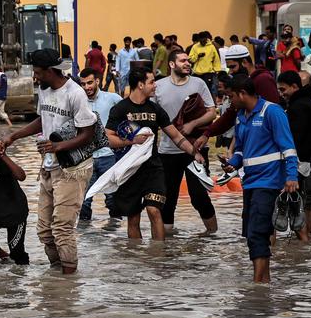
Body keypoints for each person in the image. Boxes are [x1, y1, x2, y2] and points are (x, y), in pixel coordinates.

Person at [0, 48, 97, 274]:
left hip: (73, 168)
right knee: (44, 230)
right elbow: (43, 120)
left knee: (62, 229)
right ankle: (56, 276)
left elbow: (87, 133)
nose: (35, 76)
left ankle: (68, 282)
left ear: (52, 71)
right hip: (49, 165)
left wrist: (58, 146)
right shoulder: (44, 90)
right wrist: (13, 136)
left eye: (39, 72)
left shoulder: (75, 93)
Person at [106, 69, 205, 241]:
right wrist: (131, 141)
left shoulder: (155, 109)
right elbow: (107, 138)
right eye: (151, 82)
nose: (155, 85)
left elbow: (175, 135)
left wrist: (194, 152)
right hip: (129, 170)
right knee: (133, 217)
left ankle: (158, 258)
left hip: (153, 169)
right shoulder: (120, 109)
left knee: (154, 210)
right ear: (140, 85)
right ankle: (137, 260)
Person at [220, 74, 300, 283]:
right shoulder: (240, 117)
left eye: (231, 97)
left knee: (258, 233)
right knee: (252, 234)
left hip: (270, 183)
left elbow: (289, 148)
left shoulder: (272, 112)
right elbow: (241, 150)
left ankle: (257, 287)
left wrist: (291, 176)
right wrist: (232, 163)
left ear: (242, 94)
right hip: (251, 182)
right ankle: (264, 282)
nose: (229, 102)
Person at [153, 49, 218, 235]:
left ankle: (212, 235)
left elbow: (212, 112)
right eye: (183, 61)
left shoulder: (199, 83)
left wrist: (192, 124)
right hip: (167, 151)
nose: (188, 63)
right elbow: (151, 115)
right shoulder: (158, 86)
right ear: (172, 64)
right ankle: (166, 243)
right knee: (168, 198)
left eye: (188, 60)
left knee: (199, 196)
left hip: (197, 148)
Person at [277, 70, 311, 241]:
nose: (281, 93)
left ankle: (305, 241)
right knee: (306, 202)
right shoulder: (306, 102)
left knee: (305, 202)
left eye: (283, 89)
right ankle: (306, 243)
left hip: (307, 162)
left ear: (295, 87)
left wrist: (294, 164)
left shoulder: (300, 106)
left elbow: (298, 138)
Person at [196, 54, 281, 149]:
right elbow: (231, 114)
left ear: (244, 62)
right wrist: (208, 133)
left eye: (233, 67)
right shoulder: (243, 85)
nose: (231, 72)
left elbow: (274, 115)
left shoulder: (263, 79)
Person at [78, 68, 122, 224]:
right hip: (85, 159)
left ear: (97, 81)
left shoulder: (113, 98)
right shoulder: (77, 101)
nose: (86, 87)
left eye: (89, 82)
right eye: (82, 84)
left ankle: (115, 239)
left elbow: (128, 113)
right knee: (83, 203)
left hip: (108, 157)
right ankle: (85, 243)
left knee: (113, 200)